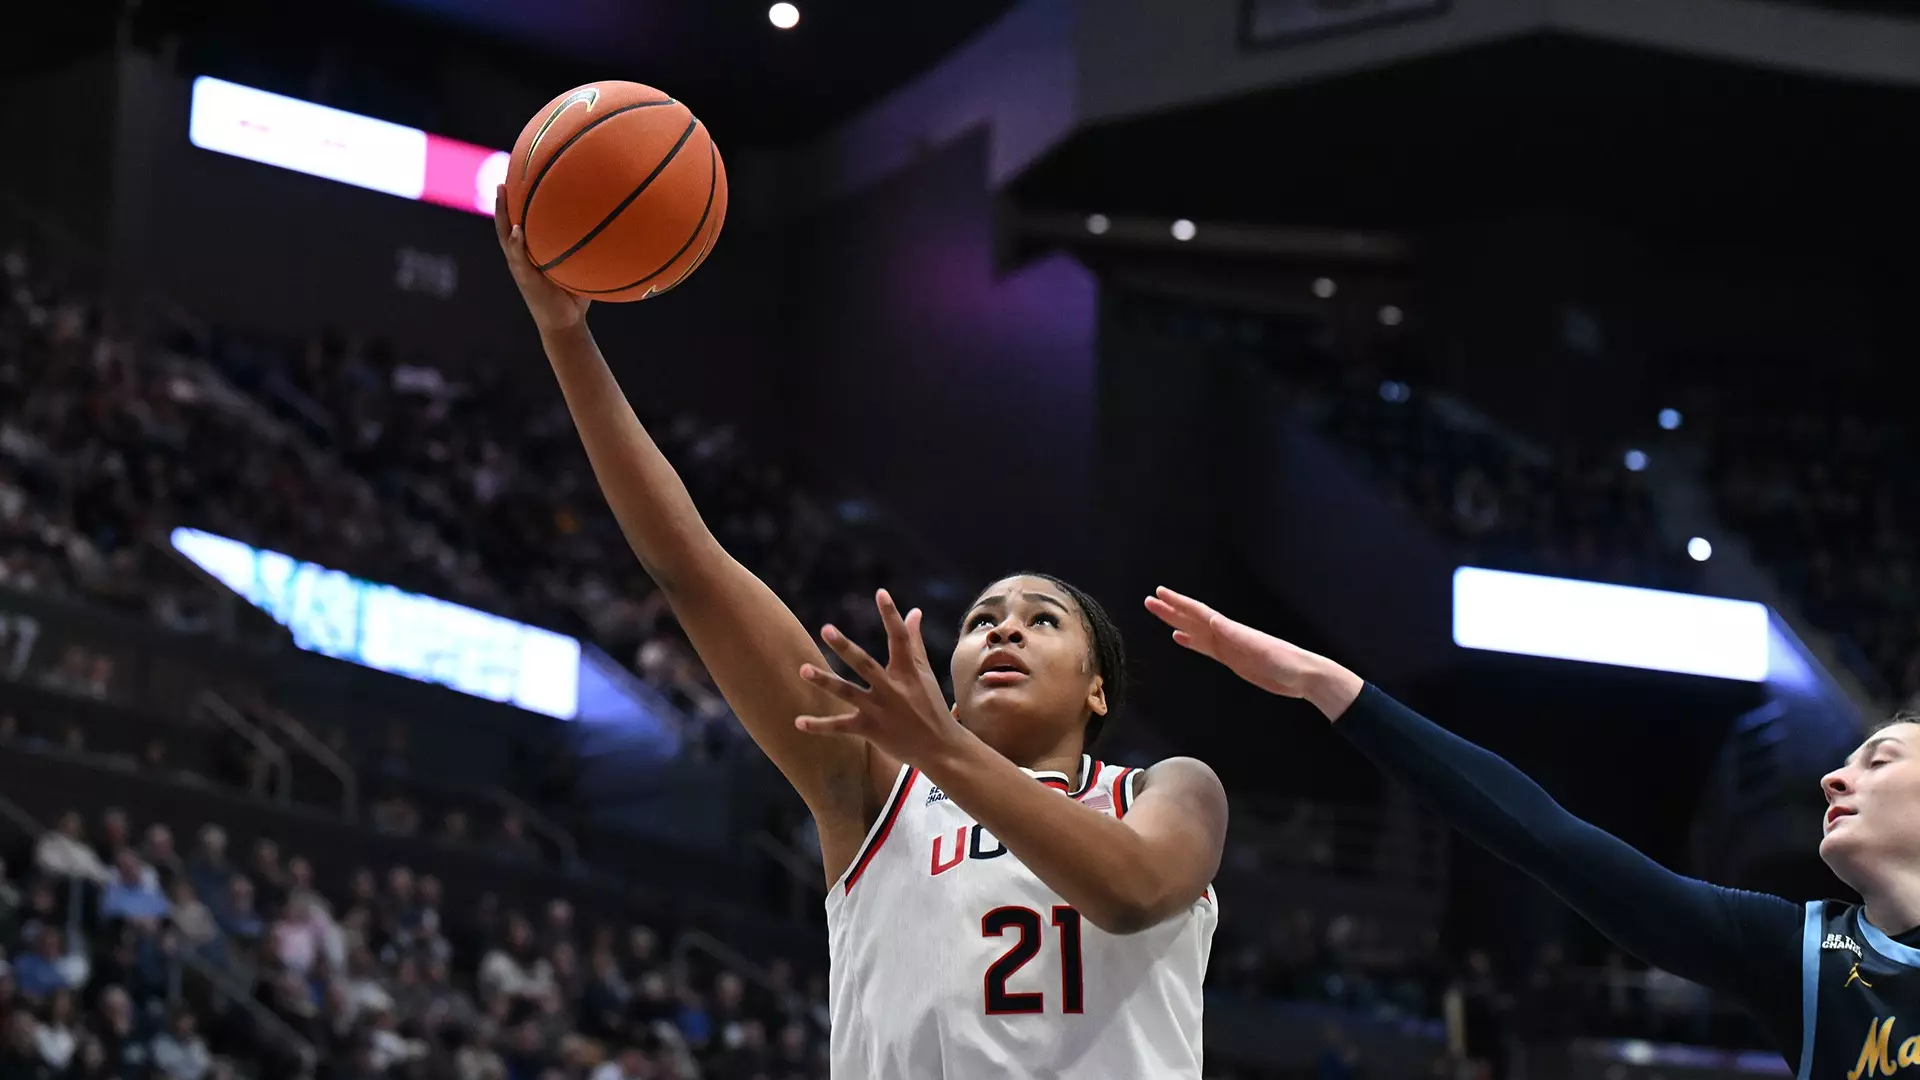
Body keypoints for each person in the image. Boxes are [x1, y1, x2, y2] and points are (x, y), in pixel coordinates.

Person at [494, 189, 1227, 1077]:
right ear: (950, 673)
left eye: (1042, 620)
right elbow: (689, 569)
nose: (1005, 631)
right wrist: (568, 339)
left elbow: (1131, 891)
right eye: (983, 620)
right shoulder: (876, 790)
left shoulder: (1170, 792)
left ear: (1097, 686)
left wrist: (946, 750)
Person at [1144, 585, 1920, 1079]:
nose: (1834, 777)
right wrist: (1330, 687)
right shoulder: (1802, 953)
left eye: (1879, 760)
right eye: (1847, 759)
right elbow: (1545, 837)